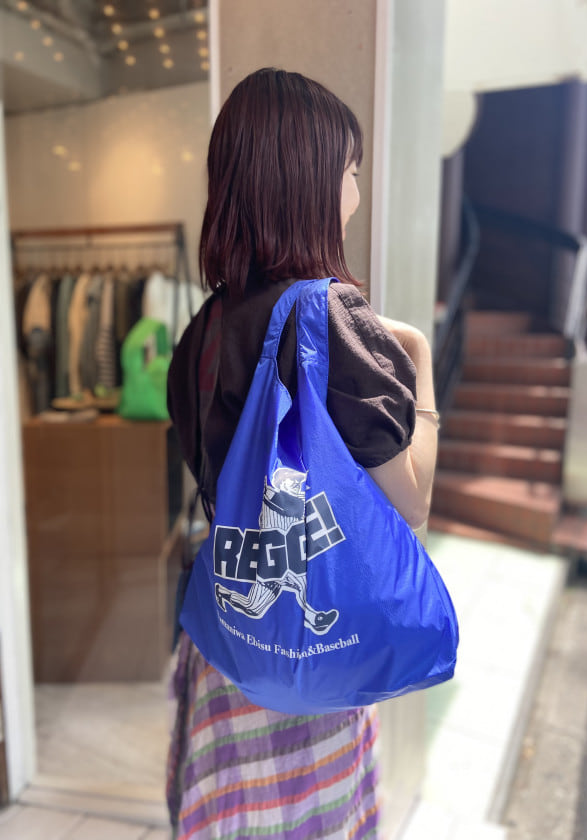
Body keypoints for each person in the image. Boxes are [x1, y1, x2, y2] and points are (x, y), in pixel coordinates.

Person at [166, 67, 439, 840]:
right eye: (349, 172)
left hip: (227, 649)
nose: (354, 194)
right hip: (309, 666)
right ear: (309, 184)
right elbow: (412, 500)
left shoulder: (203, 329)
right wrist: (419, 359)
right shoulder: (327, 319)